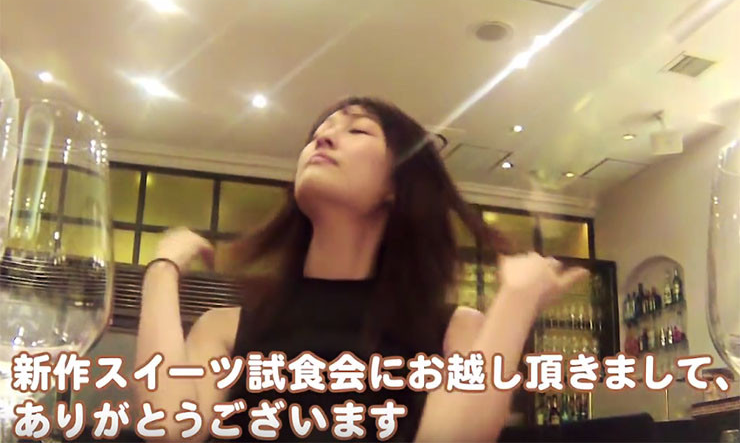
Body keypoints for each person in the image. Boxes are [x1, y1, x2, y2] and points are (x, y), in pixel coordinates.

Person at [135, 96, 588, 442]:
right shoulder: (225, 328)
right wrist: (162, 269)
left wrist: (516, 302)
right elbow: (170, 428)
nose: (322, 139)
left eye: (357, 130)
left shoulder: (454, 331)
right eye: (318, 134)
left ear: (397, 184)